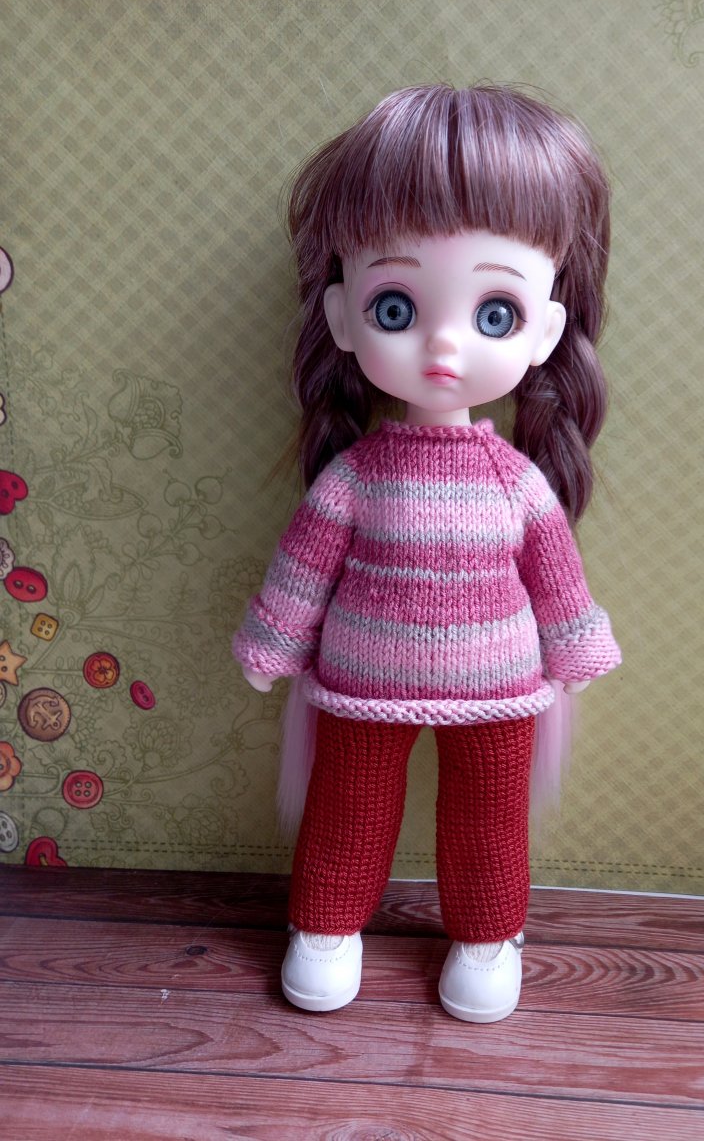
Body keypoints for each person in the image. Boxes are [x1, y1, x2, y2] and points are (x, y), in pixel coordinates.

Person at [233, 84, 621, 1023]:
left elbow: (556, 578)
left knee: (489, 818)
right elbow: (302, 571)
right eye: (397, 305)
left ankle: (487, 940)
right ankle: (327, 926)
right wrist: (272, 642)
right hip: (361, 678)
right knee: (347, 808)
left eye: (494, 314)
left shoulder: (517, 484)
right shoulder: (354, 480)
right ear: (342, 318)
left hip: (500, 684)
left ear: (545, 331)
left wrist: (577, 645)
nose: (444, 346)